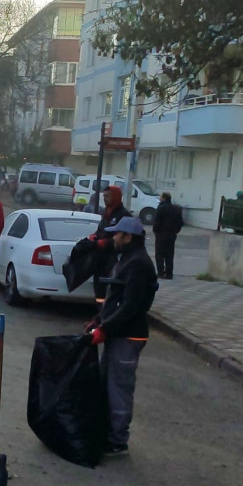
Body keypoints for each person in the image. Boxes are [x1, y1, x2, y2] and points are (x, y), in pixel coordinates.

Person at [85, 216, 158, 457]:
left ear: (129, 237)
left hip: (128, 336)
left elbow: (130, 307)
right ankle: (109, 435)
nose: (113, 237)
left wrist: (105, 329)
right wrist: (99, 321)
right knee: (109, 384)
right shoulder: (127, 259)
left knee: (119, 389)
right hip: (118, 334)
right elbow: (115, 299)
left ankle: (118, 442)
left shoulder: (138, 264)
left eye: (117, 234)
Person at [87, 185, 132, 303]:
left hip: (114, 259)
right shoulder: (106, 213)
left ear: (115, 197)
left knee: (111, 290)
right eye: (103, 196)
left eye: (107, 196)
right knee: (99, 290)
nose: (105, 199)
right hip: (101, 258)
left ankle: (107, 314)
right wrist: (94, 236)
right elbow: (101, 230)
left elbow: (123, 238)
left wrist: (104, 243)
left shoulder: (123, 215)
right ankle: (99, 313)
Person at [152, 192, 184, 280]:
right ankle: (169, 273)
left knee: (159, 254)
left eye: (161, 197)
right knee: (169, 255)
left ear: (164, 198)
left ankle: (161, 273)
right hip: (172, 235)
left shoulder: (161, 208)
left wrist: (156, 231)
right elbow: (181, 222)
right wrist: (175, 231)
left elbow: (157, 221)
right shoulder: (176, 209)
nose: (160, 198)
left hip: (161, 235)